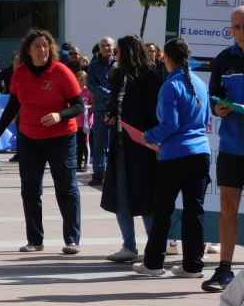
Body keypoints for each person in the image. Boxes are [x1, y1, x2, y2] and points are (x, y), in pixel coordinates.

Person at [0, 29, 84, 255]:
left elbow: (78, 105)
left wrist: (61, 115)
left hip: (61, 138)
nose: (42, 50)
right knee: (30, 190)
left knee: (66, 188)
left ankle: (71, 239)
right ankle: (35, 240)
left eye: (46, 46)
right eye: (37, 47)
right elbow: (13, 105)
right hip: (29, 138)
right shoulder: (20, 73)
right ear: (28, 51)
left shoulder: (62, 71)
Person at [133, 38, 211, 278]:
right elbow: (206, 120)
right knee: (194, 210)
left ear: (167, 57)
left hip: (175, 154)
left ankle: (154, 263)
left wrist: (147, 136)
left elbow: (170, 124)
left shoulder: (170, 86)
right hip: (201, 153)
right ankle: (193, 265)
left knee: (163, 209)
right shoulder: (200, 83)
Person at [202, 5, 244, 292]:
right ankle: (224, 271)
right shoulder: (224, 60)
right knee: (226, 206)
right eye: (237, 27)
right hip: (233, 145)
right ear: (231, 30)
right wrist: (218, 108)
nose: (243, 33)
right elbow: (214, 98)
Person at [101, 35, 161, 263]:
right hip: (119, 143)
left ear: (128, 53)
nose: (114, 55)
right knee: (120, 195)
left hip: (142, 145)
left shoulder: (150, 77)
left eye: (118, 51)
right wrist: (111, 114)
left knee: (144, 195)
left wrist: (154, 141)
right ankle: (128, 245)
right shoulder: (117, 76)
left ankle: (154, 247)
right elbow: (115, 103)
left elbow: (154, 112)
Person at [87, 36, 117, 186]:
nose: (106, 48)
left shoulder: (119, 64)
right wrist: (109, 95)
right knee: (99, 143)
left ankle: (113, 174)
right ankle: (98, 174)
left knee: (115, 144)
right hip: (101, 110)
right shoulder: (94, 66)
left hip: (117, 110)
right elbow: (91, 85)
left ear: (114, 47)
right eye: (103, 46)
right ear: (99, 49)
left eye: (109, 45)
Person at [74, 70, 92, 172]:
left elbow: (93, 105)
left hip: (86, 122)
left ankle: (87, 163)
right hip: (77, 122)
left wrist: (87, 107)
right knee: (79, 143)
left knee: (85, 142)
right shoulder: (75, 91)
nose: (80, 82)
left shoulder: (88, 92)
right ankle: (78, 163)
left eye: (82, 80)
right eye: (78, 80)